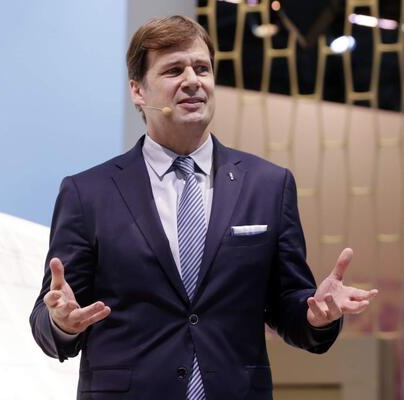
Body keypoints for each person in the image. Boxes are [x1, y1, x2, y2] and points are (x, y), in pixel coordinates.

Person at [30, 15, 378, 400]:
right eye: (173, 70)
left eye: (202, 68)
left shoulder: (268, 185)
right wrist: (62, 323)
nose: (192, 80)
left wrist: (316, 315)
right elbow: (49, 320)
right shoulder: (88, 193)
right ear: (138, 90)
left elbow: (289, 305)